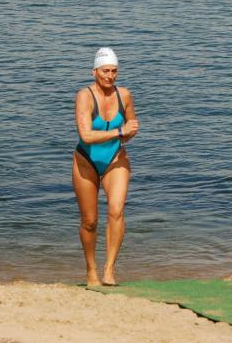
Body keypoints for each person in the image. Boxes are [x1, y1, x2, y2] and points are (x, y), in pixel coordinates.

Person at [73, 47, 139, 287]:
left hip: (115, 158)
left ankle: (109, 269)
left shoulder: (125, 95)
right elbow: (86, 136)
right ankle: (91, 270)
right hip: (86, 161)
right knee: (89, 221)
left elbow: (131, 127)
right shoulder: (85, 96)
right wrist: (120, 131)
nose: (110, 76)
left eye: (114, 71)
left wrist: (130, 132)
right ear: (94, 72)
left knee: (116, 210)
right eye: (105, 71)